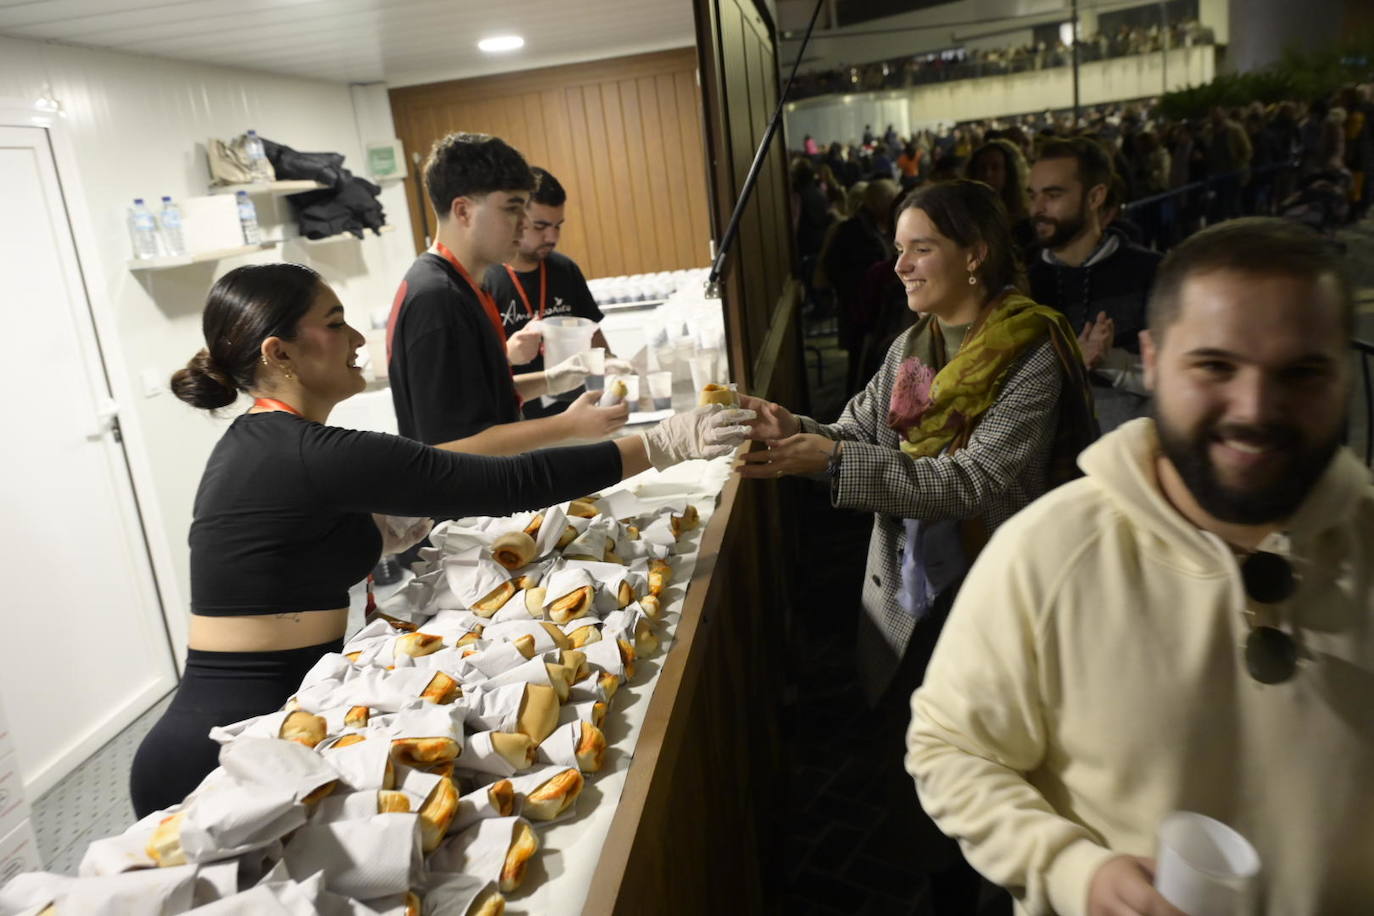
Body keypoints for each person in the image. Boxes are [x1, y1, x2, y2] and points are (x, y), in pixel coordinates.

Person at [129, 263, 752, 817]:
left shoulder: (262, 443)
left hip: (268, 716)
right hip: (217, 748)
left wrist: (378, 528)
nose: (355, 340)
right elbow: (508, 482)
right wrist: (660, 445)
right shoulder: (302, 450)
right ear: (280, 352)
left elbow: (309, 540)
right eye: (335, 323)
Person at [907, 217, 1372, 915]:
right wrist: (1072, 871)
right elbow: (950, 747)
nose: (1254, 409)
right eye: (1214, 366)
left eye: (1301, 372)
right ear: (1150, 360)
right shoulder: (1047, 554)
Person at [740, 180, 1096, 914]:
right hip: (915, 587)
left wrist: (830, 461)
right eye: (898, 248)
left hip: (993, 588)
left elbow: (977, 482)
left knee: (1001, 758)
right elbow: (858, 432)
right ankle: (943, 880)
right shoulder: (916, 342)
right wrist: (793, 426)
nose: (899, 266)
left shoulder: (1029, 346)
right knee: (925, 753)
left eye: (921, 248)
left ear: (976, 254)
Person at [387, 132, 626, 455]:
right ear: (463, 212)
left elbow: (479, 398)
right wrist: (567, 425)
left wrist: (554, 379)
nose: (523, 224)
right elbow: (448, 448)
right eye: (513, 209)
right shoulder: (437, 300)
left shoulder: (466, 285)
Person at [1027, 138, 1163, 431]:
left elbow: (1182, 379)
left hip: (1130, 461)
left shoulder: (1154, 273)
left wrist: (1112, 362)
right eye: (1032, 195)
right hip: (1052, 469)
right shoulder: (1022, 284)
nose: (1037, 208)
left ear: (1095, 197)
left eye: (1052, 195)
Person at [483, 167, 632, 419]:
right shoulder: (486, 280)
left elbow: (592, 331)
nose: (551, 237)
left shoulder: (565, 269)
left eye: (558, 226)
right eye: (540, 226)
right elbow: (475, 372)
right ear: (517, 219)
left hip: (576, 412)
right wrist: (507, 354)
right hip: (517, 418)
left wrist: (609, 362)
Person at [820, 178, 899, 394]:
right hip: (860, 311)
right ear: (878, 204)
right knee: (859, 368)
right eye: (892, 202)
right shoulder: (853, 231)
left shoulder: (876, 228)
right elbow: (836, 270)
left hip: (866, 309)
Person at [965, 138, 1034, 254]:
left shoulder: (1025, 220)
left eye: (995, 168)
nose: (988, 174)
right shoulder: (964, 215)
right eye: (982, 168)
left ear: (1007, 172)